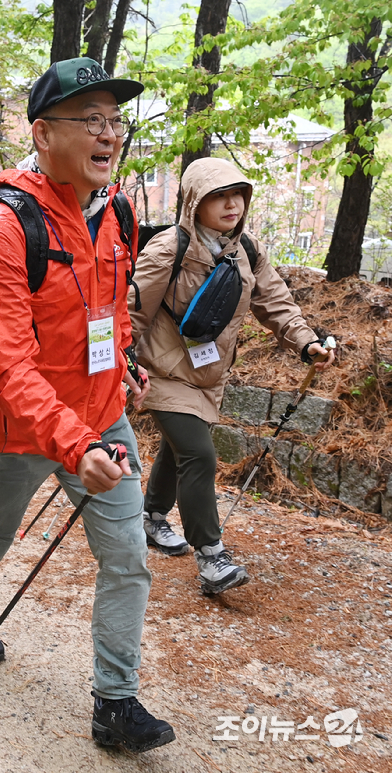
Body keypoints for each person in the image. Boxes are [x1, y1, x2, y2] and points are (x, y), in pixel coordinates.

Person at [0, 57, 175, 754]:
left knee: (128, 556)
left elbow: (111, 309)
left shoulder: (117, 214)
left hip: (102, 419)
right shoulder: (1, 228)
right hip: (17, 430)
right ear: (43, 135)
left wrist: (125, 364)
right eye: (90, 120)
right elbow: (10, 363)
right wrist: (73, 444)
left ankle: (115, 701)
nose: (109, 135)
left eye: (115, 120)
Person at [128, 157, 335, 594]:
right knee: (199, 454)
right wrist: (119, 365)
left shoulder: (248, 251)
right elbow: (132, 312)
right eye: (218, 196)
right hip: (163, 371)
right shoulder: (170, 249)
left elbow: (276, 302)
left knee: (180, 447)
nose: (231, 204)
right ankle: (211, 556)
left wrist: (306, 342)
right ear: (194, 201)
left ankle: (151, 516)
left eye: (237, 194)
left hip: (208, 375)